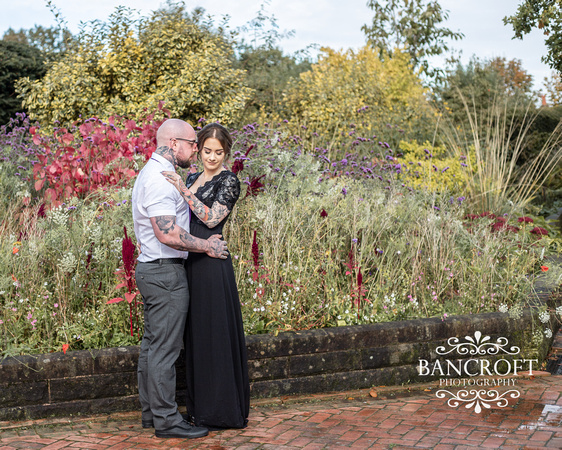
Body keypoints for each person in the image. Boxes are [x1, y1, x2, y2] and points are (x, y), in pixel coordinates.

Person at [132, 118, 229, 439]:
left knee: (151, 346)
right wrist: (208, 247)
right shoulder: (161, 180)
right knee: (165, 350)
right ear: (174, 144)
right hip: (164, 272)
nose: (195, 149)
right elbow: (167, 233)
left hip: (151, 269)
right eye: (191, 143)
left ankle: (150, 414)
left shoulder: (152, 173)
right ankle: (167, 421)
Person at [161, 122, 250, 430]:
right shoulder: (194, 175)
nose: (212, 158)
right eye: (208, 151)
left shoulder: (229, 181)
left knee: (215, 334)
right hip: (192, 261)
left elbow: (211, 219)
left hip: (213, 263)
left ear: (227, 153)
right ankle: (199, 411)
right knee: (197, 335)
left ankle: (222, 412)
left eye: (219, 153)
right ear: (198, 149)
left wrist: (181, 188)